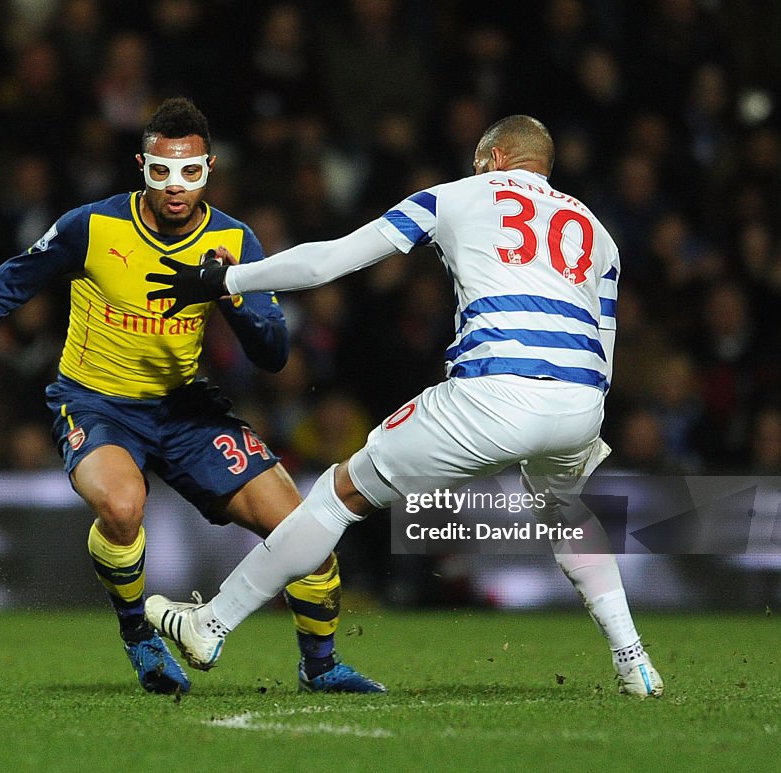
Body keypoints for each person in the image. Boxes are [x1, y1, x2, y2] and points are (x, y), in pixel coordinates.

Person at [145, 115, 664, 697]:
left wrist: (227, 279)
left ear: (493, 159)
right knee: (568, 513)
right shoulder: (599, 233)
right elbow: (606, 343)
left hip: (494, 394)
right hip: (581, 402)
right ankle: (634, 660)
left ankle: (210, 624)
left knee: (342, 493)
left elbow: (328, 262)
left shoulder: (457, 196)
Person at [0, 97, 383, 695]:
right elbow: (3, 288)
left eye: (190, 172)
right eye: (162, 171)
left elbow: (272, 354)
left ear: (209, 168)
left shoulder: (233, 240)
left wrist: (231, 291)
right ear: (141, 165)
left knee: (303, 528)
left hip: (186, 409)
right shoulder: (90, 227)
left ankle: (320, 667)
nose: (176, 187)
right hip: (96, 404)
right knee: (121, 506)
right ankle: (140, 637)